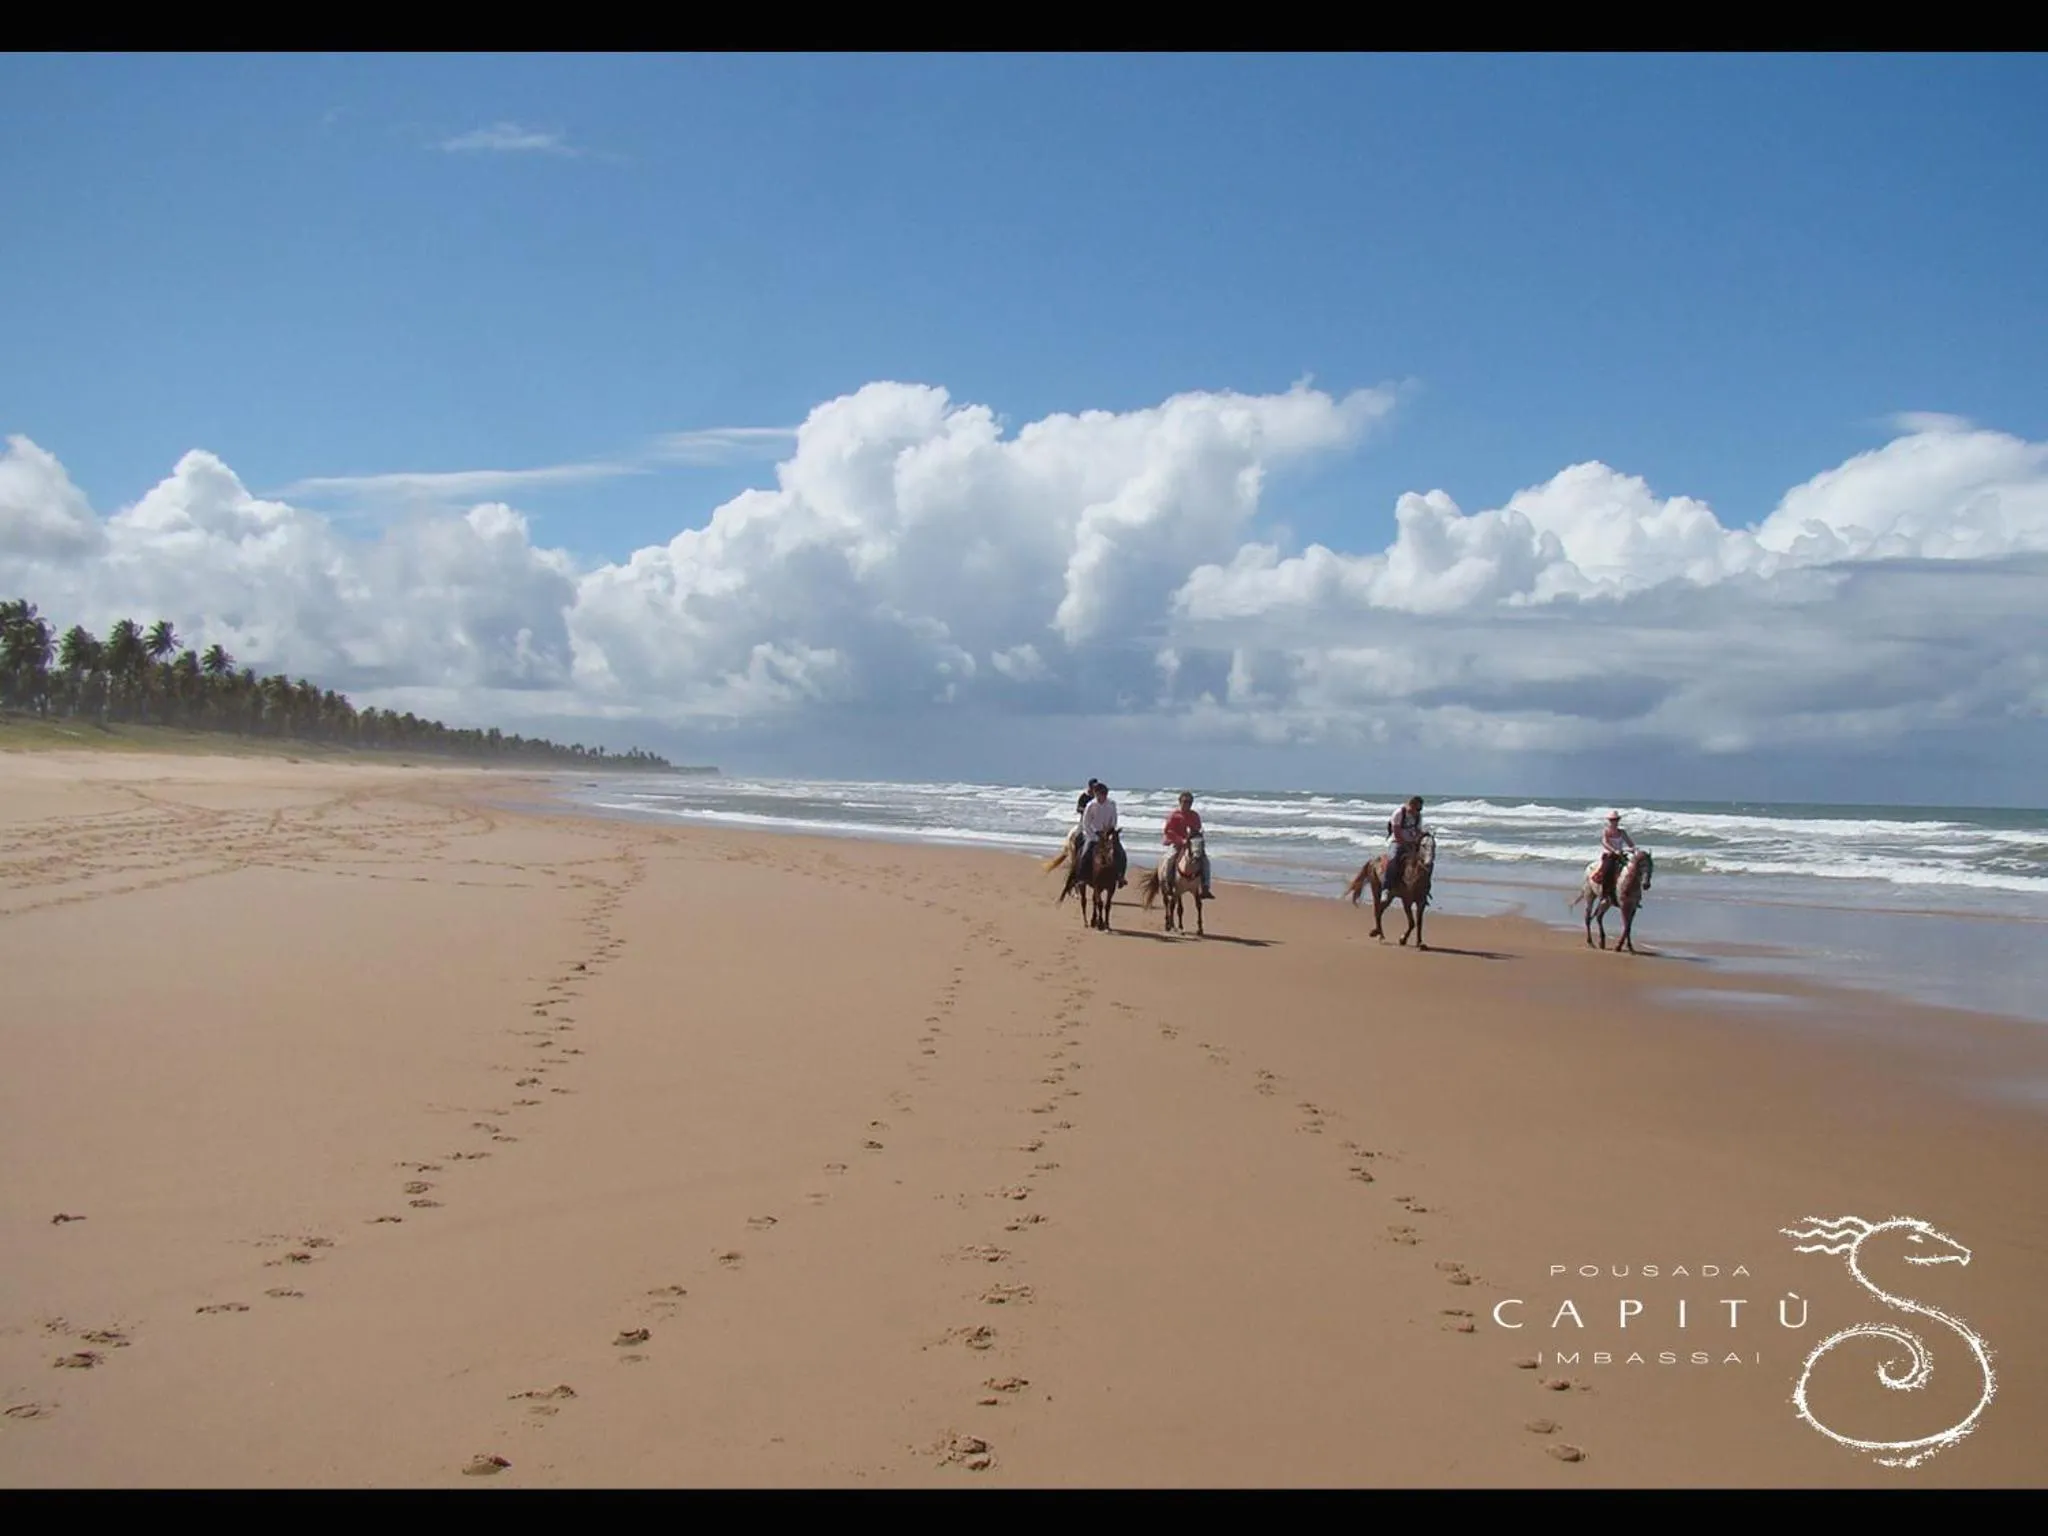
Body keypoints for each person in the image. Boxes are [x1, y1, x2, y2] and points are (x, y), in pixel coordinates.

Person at [1162, 790, 1216, 899]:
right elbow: (1168, 831)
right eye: (1185, 801)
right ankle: (1168, 884)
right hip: (1178, 843)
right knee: (1169, 859)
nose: (1187, 804)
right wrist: (1181, 840)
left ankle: (1205, 887)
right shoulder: (1174, 816)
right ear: (1180, 802)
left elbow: (1197, 830)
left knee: (1205, 861)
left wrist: (1195, 838)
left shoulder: (1195, 815)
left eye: (1189, 802)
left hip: (1192, 844)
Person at [1079, 780, 1127, 888]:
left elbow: (1114, 819)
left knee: (1121, 853)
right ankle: (1082, 878)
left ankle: (1121, 876)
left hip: (1108, 834)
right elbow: (1086, 823)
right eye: (1101, 794)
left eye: (1105, 794)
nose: (1104, 797)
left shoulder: (1111, 804)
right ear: (1096, 794)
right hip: (1093, 834)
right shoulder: (1090, 806)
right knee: (1085, 853)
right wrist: (1094, 836)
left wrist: (1110, 831)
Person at [1385, 795, 1425, 889]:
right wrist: (1405, 845)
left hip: (1412, 842)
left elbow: (1418, 830)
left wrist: (1418, 839)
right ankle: (1386, 887)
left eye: (1419, 809)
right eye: (1416, 808)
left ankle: (1423, 890)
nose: (1416, 811)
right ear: (1410, 805)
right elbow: (1396, 832)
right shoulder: (1399, 813)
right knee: (1393, 859)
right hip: (1397, 841)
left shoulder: (1418, 816)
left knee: (1425, 861)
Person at [1597, 811, 1636, 903]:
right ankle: (1605, 895)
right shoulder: (1606, 831)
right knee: (1607, 871)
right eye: (1612, 820)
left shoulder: (1622, 832)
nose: (1614, 821)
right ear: (1609, 821)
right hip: (1609, 855)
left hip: (1620, 855)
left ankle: (1633, 894)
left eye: (1616, 820)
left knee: (1633, 869)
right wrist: (1614, 850)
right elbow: (1604, 842)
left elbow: (1630, 843)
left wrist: (1633, 848)